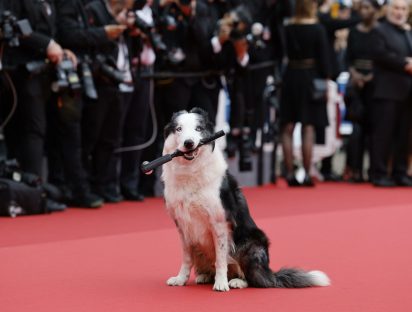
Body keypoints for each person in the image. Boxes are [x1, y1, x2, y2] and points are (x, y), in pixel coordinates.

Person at [280, 0, 331, 186]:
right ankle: (307, 173)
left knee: (287, 126)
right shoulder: (318, 29)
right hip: (311, 77)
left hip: (290, 77)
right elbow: (325, 59)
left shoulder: (287, 27)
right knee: (308, 126)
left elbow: (281, 53)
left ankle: (289, 173)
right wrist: (326, 77)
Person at [370, 0, 412, 187]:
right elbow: (380, 54)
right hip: (386, 91)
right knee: (383, 134)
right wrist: (405, 64)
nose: (399, 12)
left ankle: (400, 172)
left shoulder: (407, 32)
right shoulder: (379, 30)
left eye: (403, 9)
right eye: (396, 8)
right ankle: (378, 173)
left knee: (404, 135)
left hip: (407, 92)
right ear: (388, 9)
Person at [344, 0, 380, 183]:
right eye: (362, 8)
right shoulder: (353, 32)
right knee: (356, 129)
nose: (364, 12)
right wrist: (355, 75)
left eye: (368, 8)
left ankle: (374, 170)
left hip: (376, 85)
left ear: (375, 10)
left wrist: (371, 76)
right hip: (356, 86)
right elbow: (348, 58)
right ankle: (355, 169)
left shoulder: (380, 32)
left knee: (375, 129)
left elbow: (383, 56)